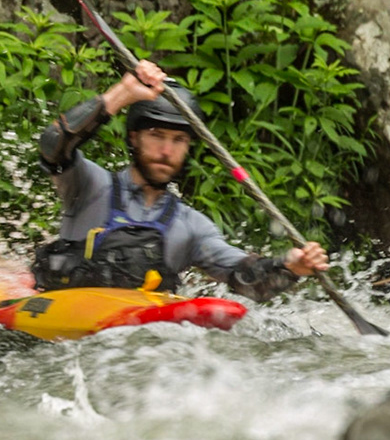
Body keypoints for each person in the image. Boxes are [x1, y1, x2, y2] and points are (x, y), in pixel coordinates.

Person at [33, 58, 331, 299]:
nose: (167, 151)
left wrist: (291, 266)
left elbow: (244, 278)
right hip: (62, 321)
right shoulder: (89, 186)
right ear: (134, 137)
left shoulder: (190, 227)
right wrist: (122, 93)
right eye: (157, 135)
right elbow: (52, 145)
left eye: (179, 140)